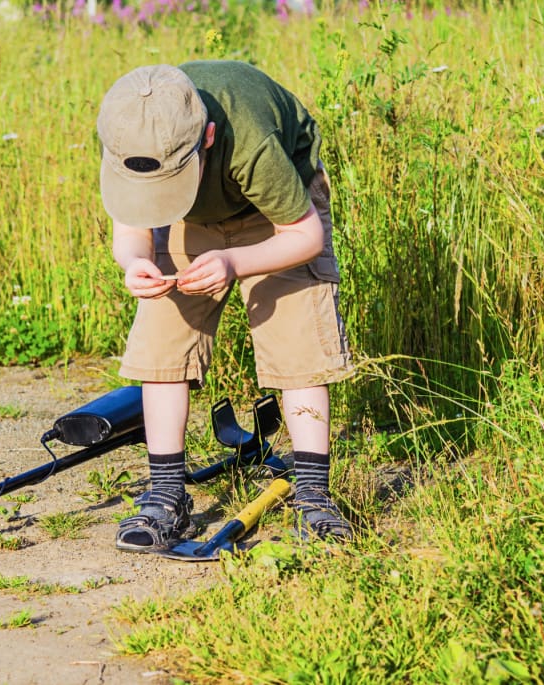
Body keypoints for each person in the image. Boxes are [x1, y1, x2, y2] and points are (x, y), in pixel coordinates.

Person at [96, 60, 356, 552]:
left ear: (208, 138)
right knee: (162, 349)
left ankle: (315, 498)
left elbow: (305, 235)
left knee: (298, 347)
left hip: (278, 216)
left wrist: (234, 261)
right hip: (189, 223)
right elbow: (130, 227)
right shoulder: (127, 130)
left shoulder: (250, 139)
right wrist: (134, 263)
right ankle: (166, 497)